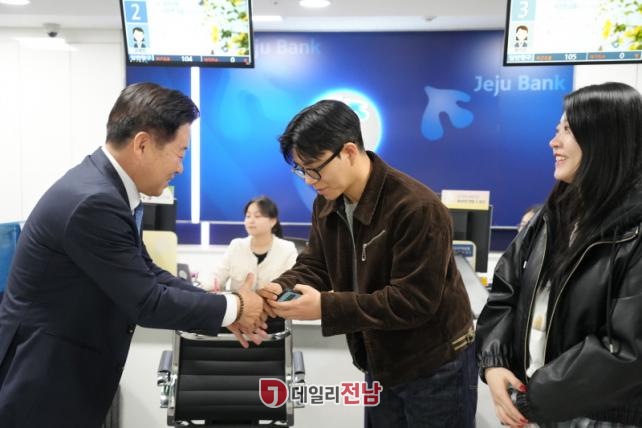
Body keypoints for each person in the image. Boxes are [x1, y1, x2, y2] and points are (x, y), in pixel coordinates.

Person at [0, 83, 266, 428]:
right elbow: (147, 303)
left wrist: (225, 306)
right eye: (180, 154)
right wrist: (235, 307)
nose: (181, 168)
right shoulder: (94, 201)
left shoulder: (106, 188)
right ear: (142, 144)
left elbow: (147, 271)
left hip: (60, 380)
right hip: (41, 386)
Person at [258, 99, 478, 427]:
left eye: (314, 168)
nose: (309, 180)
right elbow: (317, 264)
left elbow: (413, 302)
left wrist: (326, 308)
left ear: (349, 151)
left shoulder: (416, 207)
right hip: (380, 361)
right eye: (301, 170)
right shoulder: (327, 203)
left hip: (436, 365)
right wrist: (280, 287)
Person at [475, 82, 642, 427]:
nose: (554, 142)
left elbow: (627, 349)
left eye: (568, 130)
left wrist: (533, 398)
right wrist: (495, 361)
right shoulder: (550, 217)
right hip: (540, 409)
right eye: (557, 130)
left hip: (603, 418)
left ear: (605, 139)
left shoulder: (634, 231)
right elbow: (505, 290)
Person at [205, 196, 298, 291]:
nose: (251, 220)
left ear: (273, 221)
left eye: (257, 216)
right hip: (239, 300)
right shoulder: (236, 246)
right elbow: (217, 276)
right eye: (248, 216)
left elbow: (294, 283)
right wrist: (207, 285)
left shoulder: (287, 249)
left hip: (273, 301)